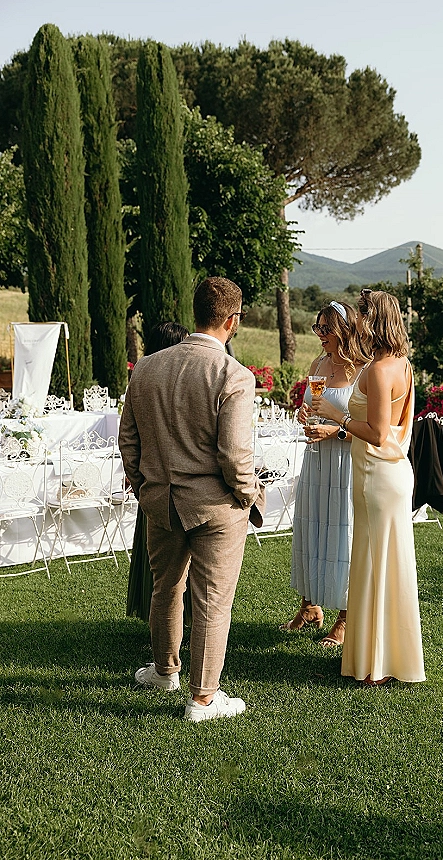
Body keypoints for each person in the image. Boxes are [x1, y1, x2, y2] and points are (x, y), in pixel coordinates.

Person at [119, 277, 265, 722]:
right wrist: (248, 494)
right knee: (212, 599)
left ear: (196, 311)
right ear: (232, 321)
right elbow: (235, 454)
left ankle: (165, 671)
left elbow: (128, 438)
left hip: (160, 501)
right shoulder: (233, 375)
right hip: (216, 505)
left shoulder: (146, 367)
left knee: (166, 589)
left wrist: (144, 484)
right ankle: (203, 698)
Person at [312, 289, 425, 686]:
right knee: (384, 566)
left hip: (378, 475)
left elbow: (377, 433)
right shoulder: (401, 364)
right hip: (386, 474)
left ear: (373, 320)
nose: (357, 322)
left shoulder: (378, 371)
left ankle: (375, 664)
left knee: (377, 566)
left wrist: (336, 416)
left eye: (362, 315)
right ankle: (385, 656)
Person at [280, 301, 370, 646]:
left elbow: (369, 426)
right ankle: (309, 606)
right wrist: (306, 416)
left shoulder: (363, 371)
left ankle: (345, 617)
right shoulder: (319, 363)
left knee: (341, 535)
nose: (320, 335)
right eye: (317, 328)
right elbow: (311, 404)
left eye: (325, 329)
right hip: (316, 460)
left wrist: (334, 431)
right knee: (312, 527)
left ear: (345, 331)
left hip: (345, 463)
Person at [126, 321, 190, 623]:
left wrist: (139, 482)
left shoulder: (140, 378)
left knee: (157, 563)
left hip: (150, 486)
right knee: (177, 566)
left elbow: (129, 438)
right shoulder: (185, 384)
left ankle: (159, 619)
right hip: (175, 488)